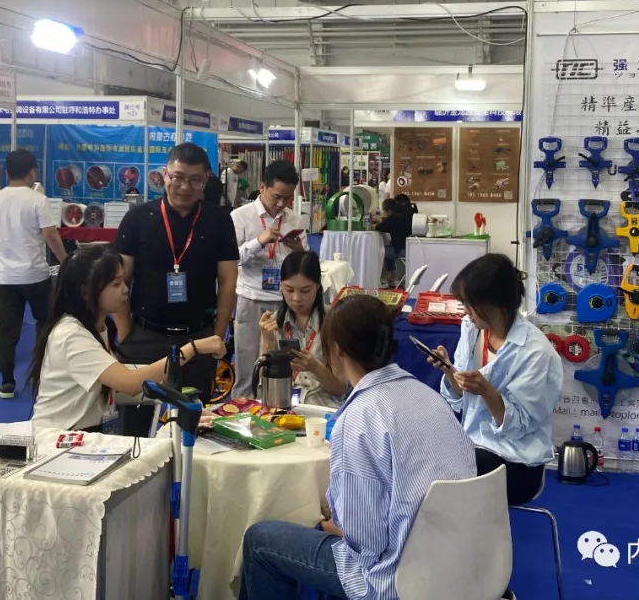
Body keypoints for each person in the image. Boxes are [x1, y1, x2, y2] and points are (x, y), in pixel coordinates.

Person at [239, 294, 476, 600]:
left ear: (337, 349)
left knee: (260, 539)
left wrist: (331, 525)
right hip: (460, 560)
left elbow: (365, 543)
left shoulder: (358, 418)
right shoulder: (428, 395)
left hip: (393, 578)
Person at [28, 244, 226, 431]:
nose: (125, 289)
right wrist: (192, 348)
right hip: (57, 439)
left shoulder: (97, 327)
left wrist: (180, 402)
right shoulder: (72, 335)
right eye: (115, 284)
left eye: (123, 281)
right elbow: (130, 383)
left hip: (81, 434)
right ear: (86, 292)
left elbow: (122, 380)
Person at [114, 142, 238, 420]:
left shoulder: (218, 220)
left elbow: (228, 281)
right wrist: (125, 332)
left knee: (194, 422)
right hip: (145, 336)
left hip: (198, 336)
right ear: (165, 175)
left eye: (195, 180)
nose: (184, 187)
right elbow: (120, 279)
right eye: (178, 177)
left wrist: (217, 334)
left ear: (206, 180)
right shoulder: (138, 218)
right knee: (137, 426)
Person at [428, 254, 563, 506]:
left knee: (444, 476)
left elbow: (519, 426)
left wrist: (487, 392)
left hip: (517, 461)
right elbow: (461, 398)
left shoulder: (536, 352)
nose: (466, 311)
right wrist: (448, 370)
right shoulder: (472, 329)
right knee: (421, 458)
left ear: (495, 303)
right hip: (474, 445)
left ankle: (460, 529)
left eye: (471, 304)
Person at [0, 149, 68, 400]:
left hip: (4, 277)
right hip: (35, 275)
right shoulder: (37, 199)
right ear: (32, 171)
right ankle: (43, 376)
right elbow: (50, 235)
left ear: (7, 172)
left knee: (7, 330)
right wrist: (65, 260)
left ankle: (6, 382)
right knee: (45, 324)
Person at [230, 159, 303, 398]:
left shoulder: (293, 219)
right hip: (251, 297)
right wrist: (258, 242)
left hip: (284, 300)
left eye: (288, 198)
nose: (281, 204)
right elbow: (231, 259)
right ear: (262, 187)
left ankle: (278, 406)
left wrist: (299, 251)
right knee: (248, 364)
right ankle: (243, 408)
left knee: (283, 363)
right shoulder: (240, 216)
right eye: (277, 197)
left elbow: (304, 262)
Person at [258, 251, 344, 408]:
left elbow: (340, 389)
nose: (296, 298)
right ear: (281, 286)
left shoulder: (334, 322)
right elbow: (263, 388)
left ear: (318, 287)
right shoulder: (274, 323)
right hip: (283, 405)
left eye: (305, 291)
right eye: (289, 290)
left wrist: (315, 367)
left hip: (322, 408)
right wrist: (267, 342)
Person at [374, 198, 412, 288]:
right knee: (388, 249)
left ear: (388, 210)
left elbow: (378, 227)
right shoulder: (403, 216)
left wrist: (379, 221)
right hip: (407, 248)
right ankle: (392, 277)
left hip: (399, 250)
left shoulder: (391, 218)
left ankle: (384, 279)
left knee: (380, 252)